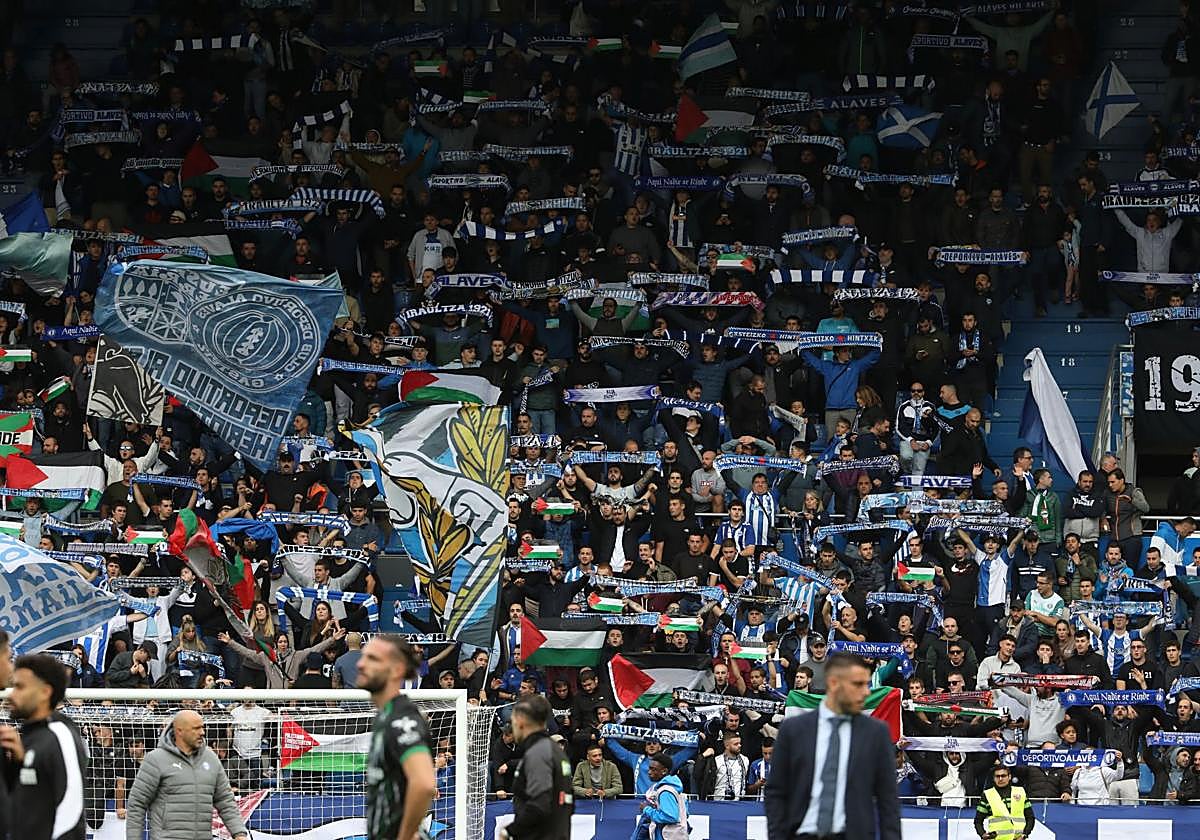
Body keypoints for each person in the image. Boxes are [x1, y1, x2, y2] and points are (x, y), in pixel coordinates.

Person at [764, 652, 901, 840]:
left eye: (866, 684)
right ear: (834, 683)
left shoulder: (876, 733)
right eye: (858, 684)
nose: (866, 692)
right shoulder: (793, 730)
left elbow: (888, 799)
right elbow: (777, 790)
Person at [356, 635, 437, 840]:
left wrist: (405, 835)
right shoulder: (385, 716)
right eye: (363, 656)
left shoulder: (402, 719)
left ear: (397, 669)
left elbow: (424, 783)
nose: (360, 664)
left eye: (373, 659)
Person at [124, 709, 246, 840]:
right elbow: (137, 804)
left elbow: (225, 801)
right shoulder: (156, 759)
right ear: (179, 731)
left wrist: (239, 833)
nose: (202, 732)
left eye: (202, 727)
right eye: (196, 728)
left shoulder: (211, 758)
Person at [0, 649, 83, 840]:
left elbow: (70, 812)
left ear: (45, 692)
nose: (12, 695)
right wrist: (17, 764)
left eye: (20, 687)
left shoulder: (60, 734)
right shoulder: (29, 736)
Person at [498, 695, 572, 840]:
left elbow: (541, 803)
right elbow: (568, 802)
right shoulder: (556, 751)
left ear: (520, 720)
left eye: (512, 720)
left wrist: (510, 831)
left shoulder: (539, 752)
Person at [634, 754, 688, 840]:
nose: (649, 772)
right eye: (649, 768)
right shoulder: (674, 787)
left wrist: (647, 809)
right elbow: (685, 814)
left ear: (664, 771)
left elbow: (671, 817)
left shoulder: (665, 791)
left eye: (653, 769)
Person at [975, 763, 1035, 839]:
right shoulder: (987, 795)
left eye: (1003, 776)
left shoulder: (1020, 792)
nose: (1000, 779)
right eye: (997, 776)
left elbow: (1030, 817)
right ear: (994, 778)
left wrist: (1025, 834)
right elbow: (978, 821)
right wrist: (982, 834)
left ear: (1009, 777)